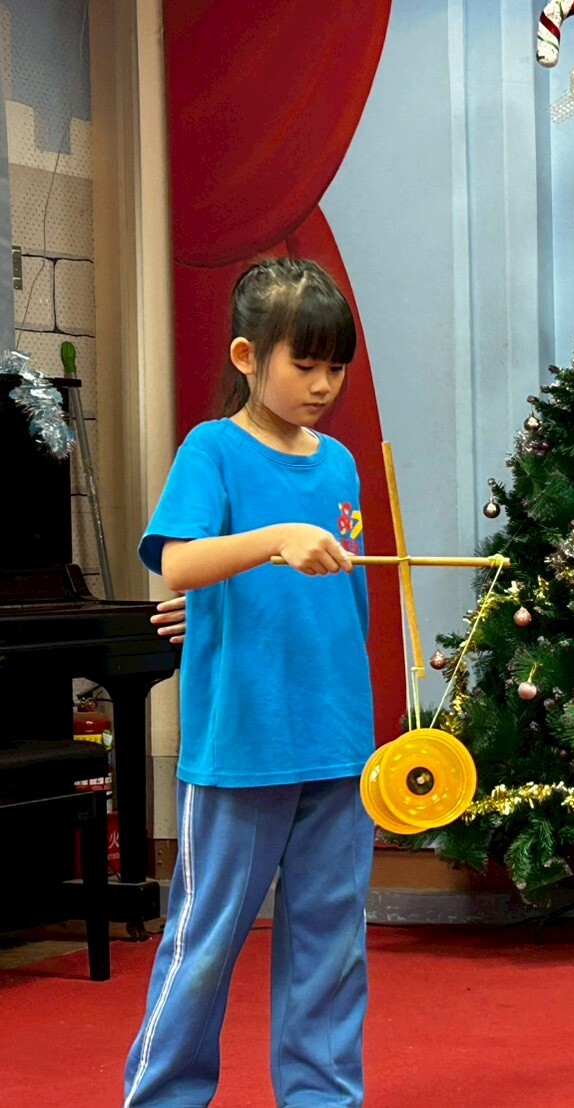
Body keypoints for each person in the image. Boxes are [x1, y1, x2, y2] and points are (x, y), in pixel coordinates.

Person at [123, 258, 375, 1107]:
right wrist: (271, 543)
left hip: (337, 740)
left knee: (331, 946)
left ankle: (322, 1096)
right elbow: (179, 561)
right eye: (304, 364)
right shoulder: (213, 449)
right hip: (240, 746)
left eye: (335, 367)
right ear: (245, 356)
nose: (322, 384)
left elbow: (331, 599)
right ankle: (163, 1096)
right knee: (203, 942)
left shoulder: (339, 462)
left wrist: (238, 592)